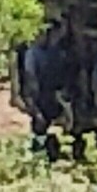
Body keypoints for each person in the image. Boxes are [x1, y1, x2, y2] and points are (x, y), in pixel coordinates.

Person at [18, 23, 70, 155]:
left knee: (50, 120)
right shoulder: (33, 53)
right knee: (40, 121)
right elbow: (30, 74)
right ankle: (38, 150)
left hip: (50, 91)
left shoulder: (53, 52)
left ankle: (48, 150)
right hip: (39, 93)